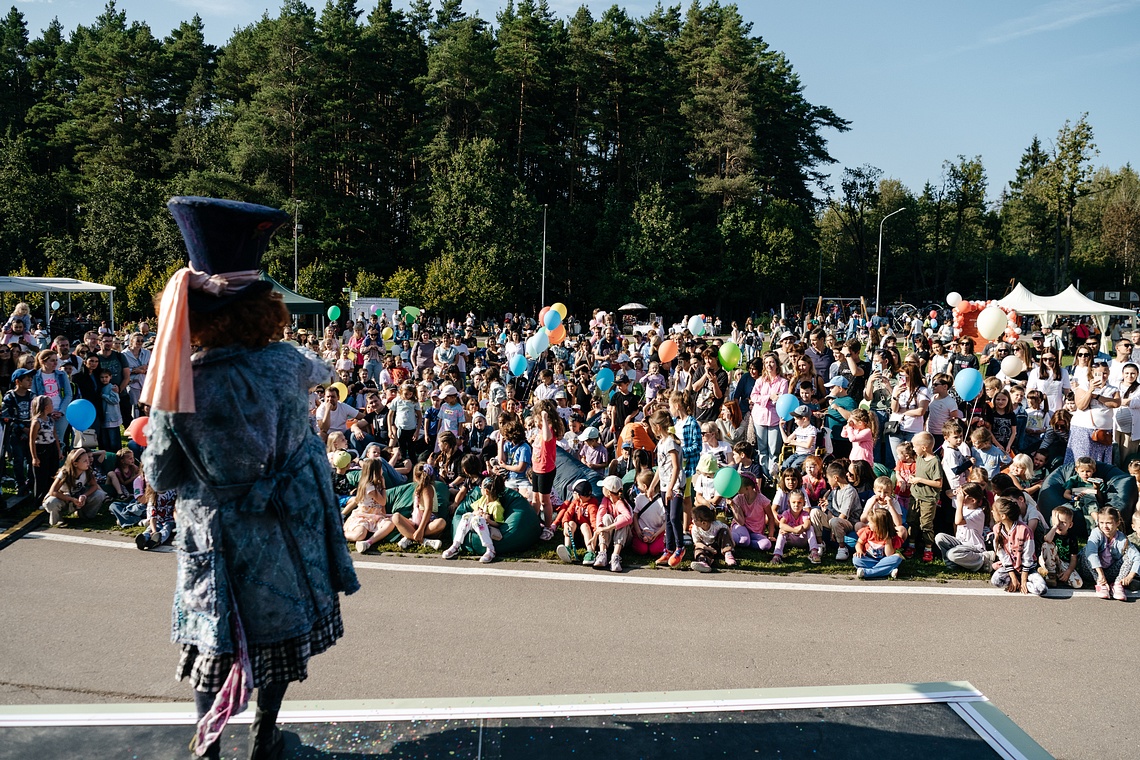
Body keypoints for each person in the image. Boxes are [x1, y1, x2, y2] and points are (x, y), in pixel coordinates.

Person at [141, 197, 358, 760]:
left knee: (212, 639)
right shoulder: (289, 364)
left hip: (213, 534)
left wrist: (148, 440)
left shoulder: (178, 389)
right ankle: (265, 738)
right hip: (282, 528)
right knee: (277, 633)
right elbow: (325, 372)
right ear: (264, 307)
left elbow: (163, 476)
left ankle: (206, 748)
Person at [648, 409, 685, 568]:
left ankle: (680, 547)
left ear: (657, 426)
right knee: (668, 518)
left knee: (675, 517)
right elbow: (661, 468)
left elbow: (676, 467)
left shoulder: (670, 442)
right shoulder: (661, 443)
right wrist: (652, 486)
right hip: (664, 485)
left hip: (674, 486)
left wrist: (671, 488)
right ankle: (669, 549)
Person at [990, 496, 1047, 596]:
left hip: (1027, 569)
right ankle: (1015, 582)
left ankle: (1024, 584)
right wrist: (1013, 577)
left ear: (1003, 516)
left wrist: (1023, 580)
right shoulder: (996, 529)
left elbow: (1028, 556)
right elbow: (1002, 555)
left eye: (994, 511)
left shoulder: (1024, 530)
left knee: (1041, 589)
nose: (992, 512)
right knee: (996, 581)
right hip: (1010, 568)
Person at [444, 474, 505, 563]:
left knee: (478, 520)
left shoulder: (496, 505)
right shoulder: (483, 499)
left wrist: (488, 520)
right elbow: (474, 510)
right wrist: (476, 513)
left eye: (481, 487)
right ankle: (456, 545)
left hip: (487, 527)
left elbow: (499, 523)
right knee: (467, 515)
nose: (479, 488)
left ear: (486, 491)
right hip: (475, 525)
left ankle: (490, 549)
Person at [42, 447, 106, 527]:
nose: (88, 462)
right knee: (51, 502)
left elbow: (94, 486)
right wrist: (71, 499)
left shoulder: (87, 471)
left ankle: (85, 515)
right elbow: (53, 491)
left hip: (77, 496)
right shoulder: (65, 473)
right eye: (85, 461)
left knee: (99, 494)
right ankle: (58, 519)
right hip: (63, 499)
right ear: (75, 464)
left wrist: (84, 495)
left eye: (88, 460)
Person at [933, 482, 988, 573]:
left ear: (973, 500)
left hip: (974, 547)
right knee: (940, 537)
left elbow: (958, 521)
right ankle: (953, 564)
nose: (960, 497)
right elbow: (947, 493)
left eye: (963, 495)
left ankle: (983, 559)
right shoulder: (965, 506)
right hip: (961, 544)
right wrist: (956, 491)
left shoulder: (978, 513)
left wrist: (959, 504)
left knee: (952, 554)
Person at [391, 463, 447, 550]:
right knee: (396, 517)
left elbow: (428, 509)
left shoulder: (427, 488)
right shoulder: (418, 488)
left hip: (427, 523)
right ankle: (424, 541)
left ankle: (410, 537)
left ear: (416, 477)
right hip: (416, 521)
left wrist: (421, 529)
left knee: (441, 523)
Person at [909, 432, 943, 563]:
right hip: (915, 496)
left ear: (924, 447)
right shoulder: (919, 458)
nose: (913, 449)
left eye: (915, 446)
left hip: (928, 499)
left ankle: (928, 549)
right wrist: (913, 478)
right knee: (912, 521)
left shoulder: (935, 462)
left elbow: (938, 483)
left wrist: (920, 480)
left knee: (926, 524)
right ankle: (911, 545)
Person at [593, 475, 633, 572]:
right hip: (611, 537)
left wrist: (608, 528)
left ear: (609, 492)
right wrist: (599, 526)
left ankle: (615, 556)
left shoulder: (620, 503)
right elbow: (600, 513)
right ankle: (602, 553)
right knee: (606, 517)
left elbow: (629, 518)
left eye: (604, 487)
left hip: (623, 538)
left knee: (621, 519)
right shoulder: (606, 500)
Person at [1038, 504, 1083, 589]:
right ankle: (1050, 573)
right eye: (1057, 522)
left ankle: (1059, 575)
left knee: (1078, 583)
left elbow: (1073, 558)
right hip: (1049, 560)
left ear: (1070, 525)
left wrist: (1068, 572)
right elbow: (1047, 540)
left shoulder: (1072, 538)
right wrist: (1055, 526)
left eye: (1063, 522)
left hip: (1063, 563)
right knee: (1047, 545)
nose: (1059, 525)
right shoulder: (1050, 532)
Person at [729, 472, 775, 551]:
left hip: (755, 531)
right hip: (741, 527)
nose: (736, 489)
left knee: (766, 544)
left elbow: (771, 517)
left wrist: (770, 535)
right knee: (744, 540)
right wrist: (733, 506)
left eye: (739, 487)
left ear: (748, 488)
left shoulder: (762, 500)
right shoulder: (738, 498)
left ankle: (740, 541)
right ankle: (727, 536)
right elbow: (741, 522)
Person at [853, 508, 903, 580]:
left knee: (897, 557)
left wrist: (887, 540)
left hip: (884, 560)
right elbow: (859, 543)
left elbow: (889, 554)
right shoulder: (868, 532)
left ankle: (867, 572)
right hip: (868, 559)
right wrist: (859, 550)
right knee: (856, 559)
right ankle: (887, 570)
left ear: (879, 525)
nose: (868, 524)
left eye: (870, 522)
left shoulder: (891, 536)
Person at [29, 395, 61, 503]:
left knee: (53, 473)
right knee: (42, 475)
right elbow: (32, 440)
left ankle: (50, 496)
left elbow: (55, 435)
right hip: (41, 448)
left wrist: (59, 450)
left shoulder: (50, 419)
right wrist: (34, 457)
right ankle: (39, 499)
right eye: (51, 403)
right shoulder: (36, 422)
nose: (53, 405)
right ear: (45, 406)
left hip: (51, 447)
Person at [772, 490, 819, 564]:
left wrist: (791, 529)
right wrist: (795, 530)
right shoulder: (786, 513)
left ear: (804, 503)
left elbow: (807, 525)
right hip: (790, 539)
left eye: (799, 502)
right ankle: (777, 555)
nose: (796, 505)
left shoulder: (804, 514)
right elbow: (781, 525)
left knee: (810, 528)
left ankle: (814, 552)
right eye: (793, 502)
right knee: (781, 531)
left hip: (802, 539)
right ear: (789, 503)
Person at [689, 503, 735, 572]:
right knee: (698, 549)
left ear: (704, 523)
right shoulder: (695, 529)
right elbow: (697, 542)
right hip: (706, 547)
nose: (692, 521)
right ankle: (703, 562)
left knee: (724, 531)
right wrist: (709, 549)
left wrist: (732, 541)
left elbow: (726, 528)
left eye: (695, 520)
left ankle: (728, 554)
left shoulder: (716, 525)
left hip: (718, 545)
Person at [135, 484, 177, 550]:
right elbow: (153, 517)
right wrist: (154, 532)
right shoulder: (153, 498)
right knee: (150, 529)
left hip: (169, 520)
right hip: (157, 520)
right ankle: (143, 539)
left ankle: (158, 540)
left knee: (166, 529)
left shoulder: (172, 492)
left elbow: (176, 509)